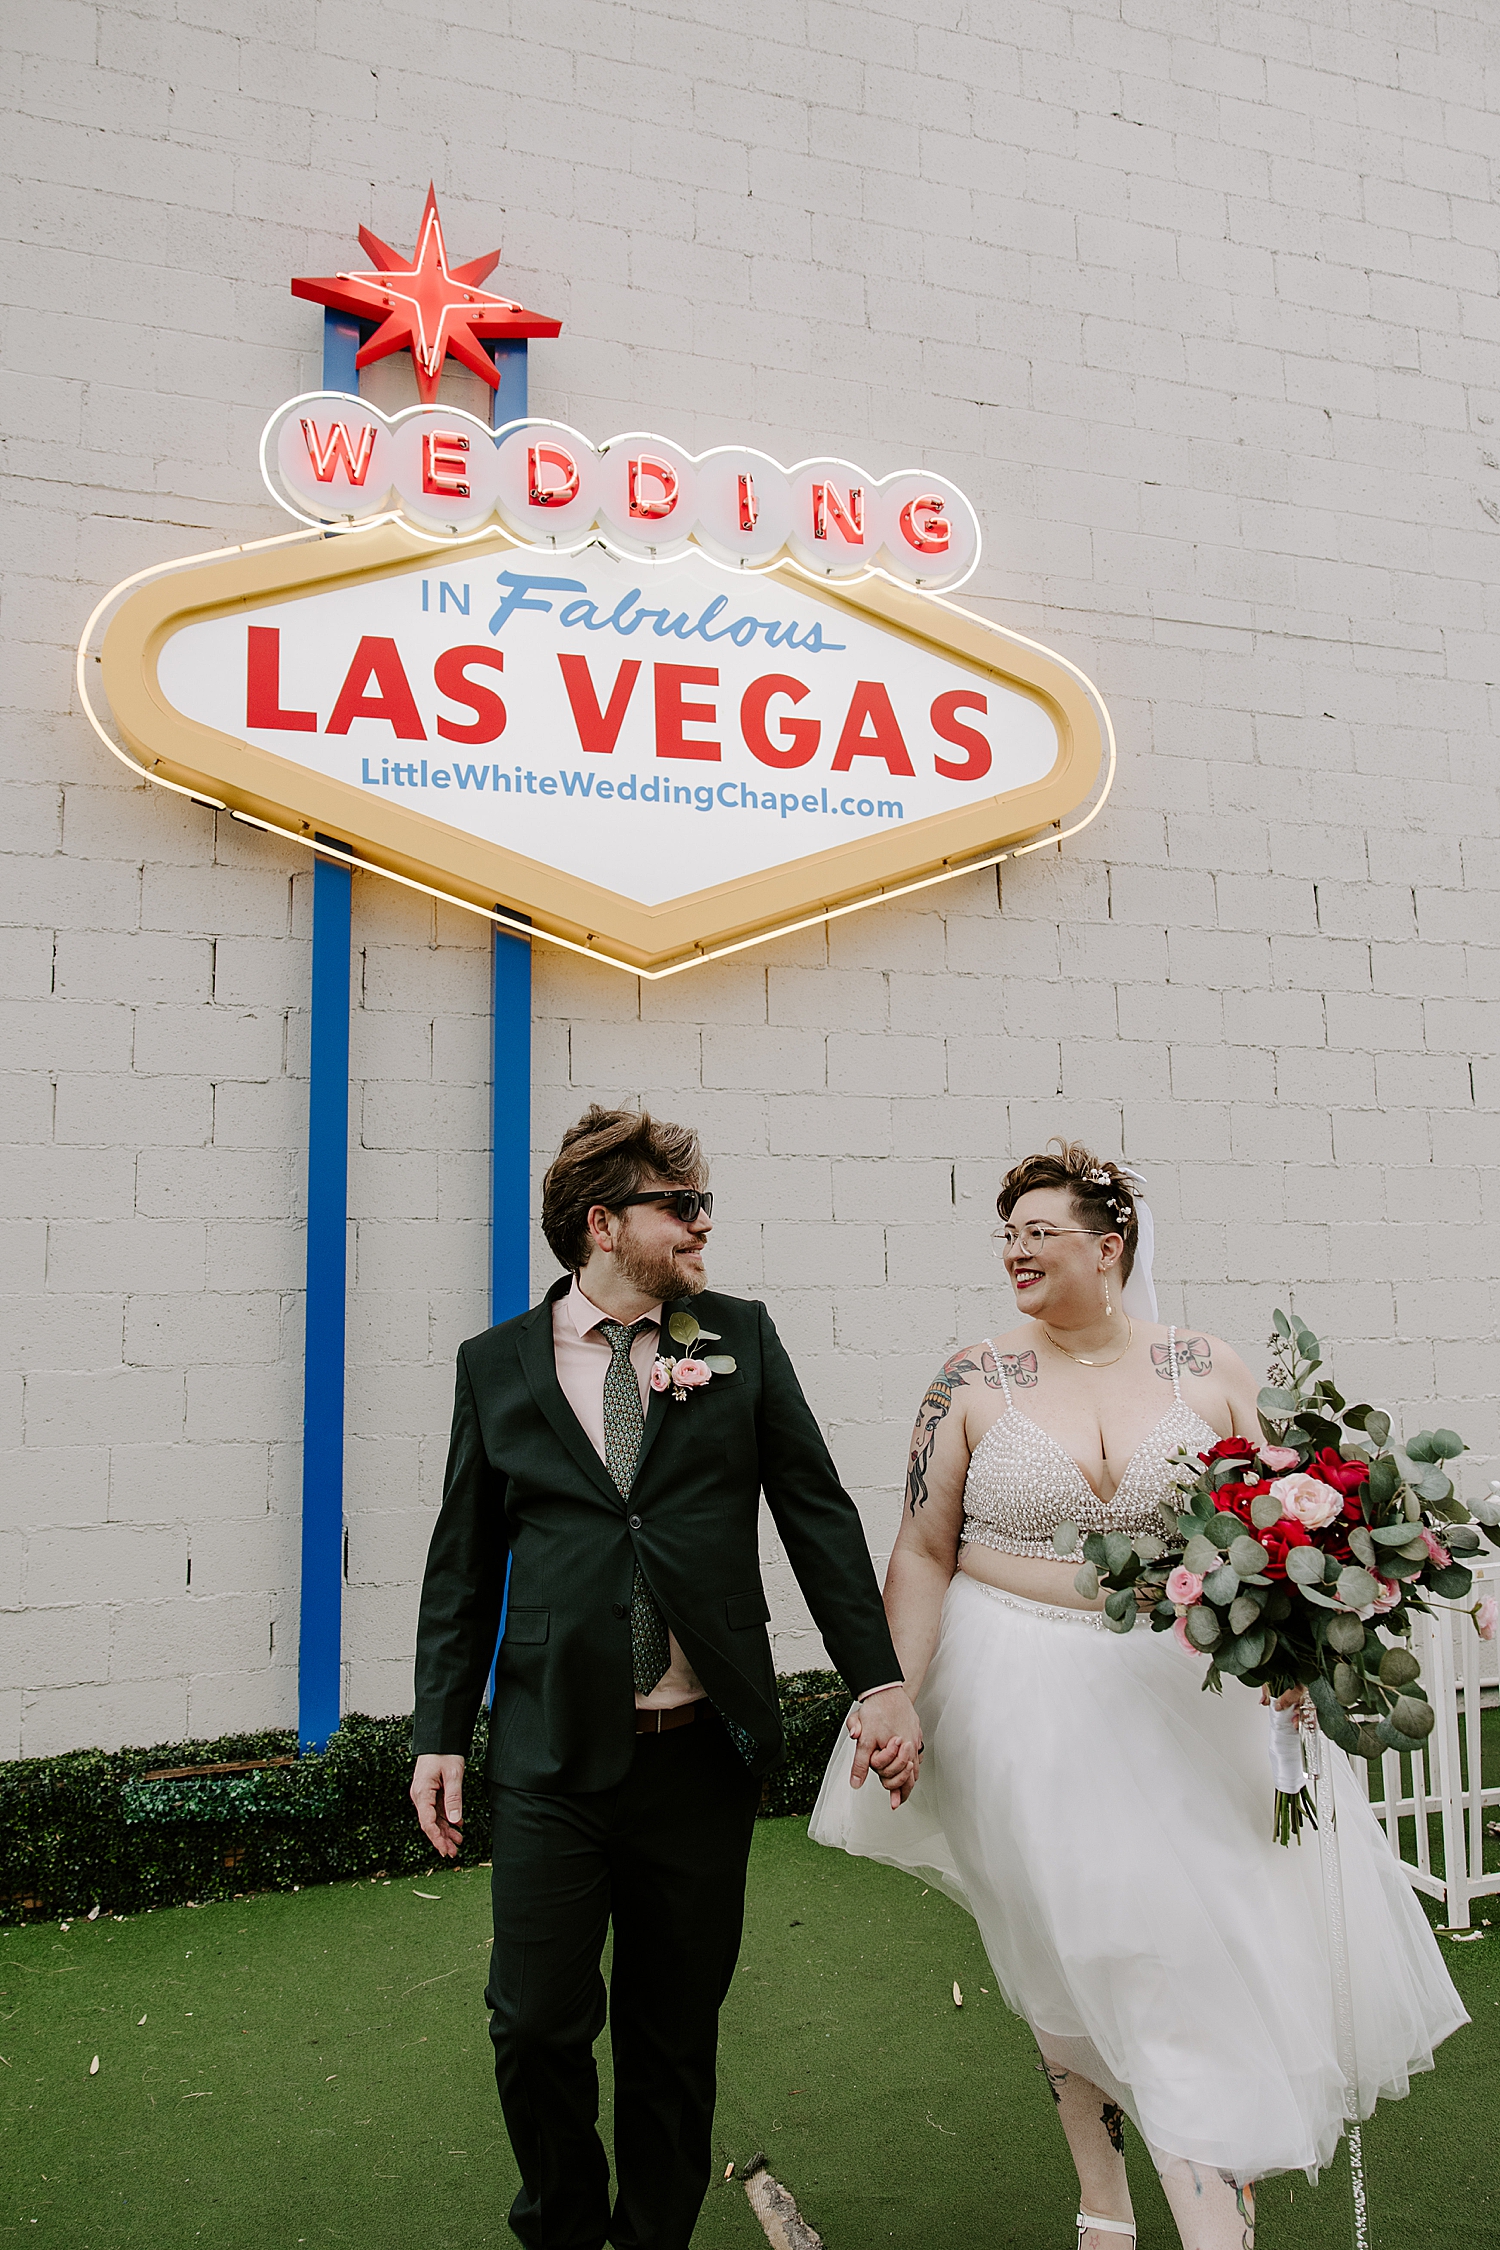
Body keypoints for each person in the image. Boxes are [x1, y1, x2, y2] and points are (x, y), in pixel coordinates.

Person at [811, 1139, 1466, 2250]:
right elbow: (921, 1551)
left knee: (1196, 1944)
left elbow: (1285, 1523)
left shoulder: (1207, 1369)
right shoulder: (968, 1382)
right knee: (1086, 1940)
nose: (1015, 1251)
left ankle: (1174, 2195)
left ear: (1109, 1246)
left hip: (1189, 1689)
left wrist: (1300, 1657)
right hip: (1018, 1693)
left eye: (1040, 1232)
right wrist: (897, 1694)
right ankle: (1116, 2204)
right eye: (1006, 1235)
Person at [409, 1104, 921, 2250]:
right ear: (604, 1223)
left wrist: (877, 1680)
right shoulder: (494, 1366)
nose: (702, 1227)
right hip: (551, 1752)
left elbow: (817, 1518)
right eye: (679, 1207)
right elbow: (463, 1564)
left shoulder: (737, 1337)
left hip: (700, 1757)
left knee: (671, 2037)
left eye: (702, 1206)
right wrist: (438, 1731)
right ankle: (562, 2224)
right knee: (533, 2026)